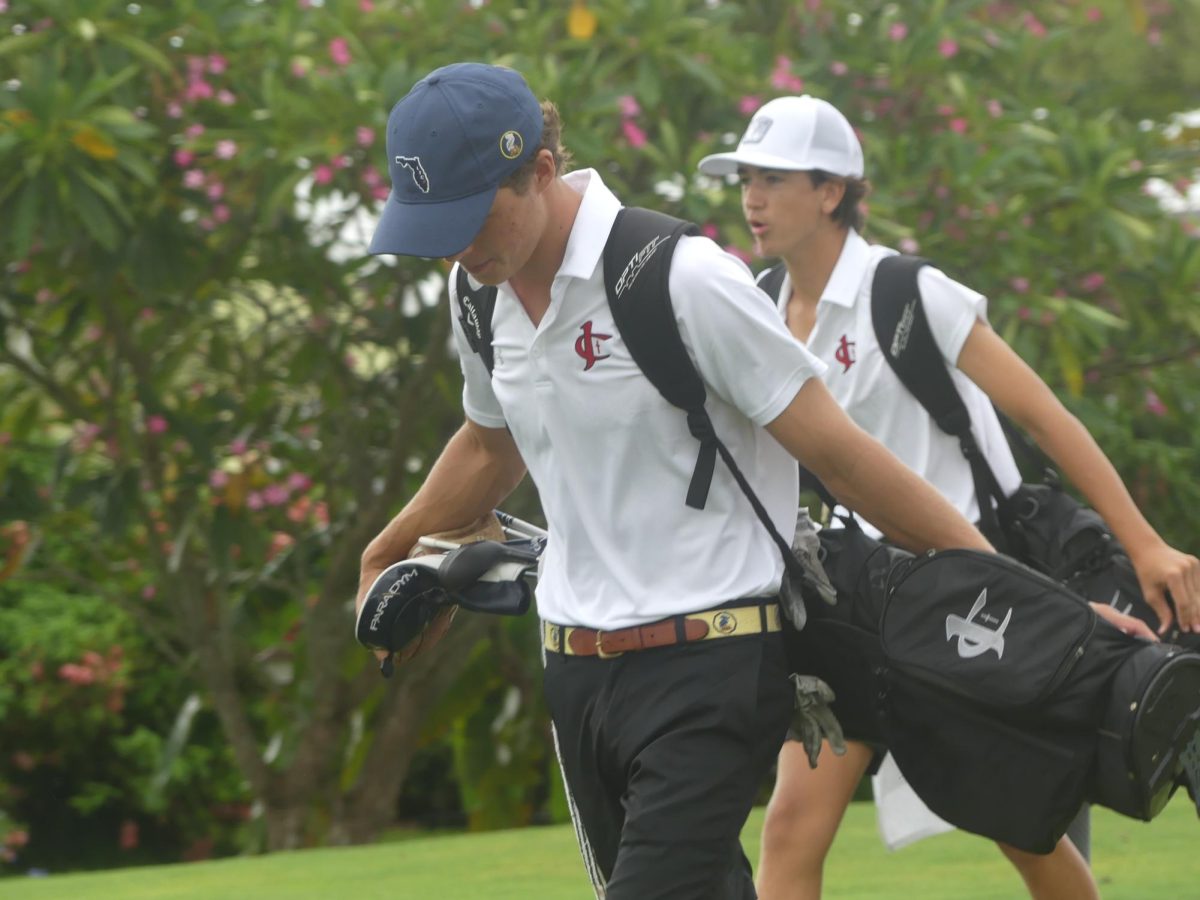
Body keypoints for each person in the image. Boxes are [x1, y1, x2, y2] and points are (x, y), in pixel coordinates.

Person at [358, 63, 998, 900]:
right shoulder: (478, 295)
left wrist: (1003, 588)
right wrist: (389, 548)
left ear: (541, 172)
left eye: (470, 216)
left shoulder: (683, 277)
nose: (455, 246)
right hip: (577, 672)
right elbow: (489, 446)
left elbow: (839, 456)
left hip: (713, 663)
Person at [698, 94, 1200, 900]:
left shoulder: (908, 291)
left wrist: (1142, 543)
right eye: (746, 179)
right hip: (851, 603)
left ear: (832, 191)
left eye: (774, 179)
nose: (752, 198)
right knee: (791, 827)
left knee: (1018, 826)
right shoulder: (753, 307)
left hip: (965, 600)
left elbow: (1047, 414)